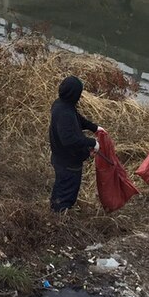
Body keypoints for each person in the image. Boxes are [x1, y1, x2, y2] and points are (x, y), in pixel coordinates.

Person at [48, 75, 101, 213]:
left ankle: (55, 205)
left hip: (60, 157)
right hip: (68, 163)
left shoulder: (61, 104)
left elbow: (77, 118)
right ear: (75, 95)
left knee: (61, 185)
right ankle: (59, 214)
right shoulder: (65, 113)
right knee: (67, 190)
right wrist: (92, 142)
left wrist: (94, 127)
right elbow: (69, 139)